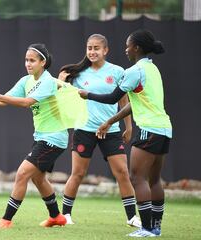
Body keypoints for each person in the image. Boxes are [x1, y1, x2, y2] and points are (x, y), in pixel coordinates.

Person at [0, 43, 77, 229]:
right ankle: (57, 217)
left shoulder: (48, 82)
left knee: (22, 174)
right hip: (42, 137)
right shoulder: (26, 81)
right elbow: (4, 100)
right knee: (38, 178)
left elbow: (26, 102)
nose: (28, 63)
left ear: (43, 62)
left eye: (32, 60)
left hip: (54, 138)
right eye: (26, 59)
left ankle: (6, 220)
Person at [79, 29, 171, 237]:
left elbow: (113, 98)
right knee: (154, 180)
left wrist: (87, 95)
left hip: (148, 129)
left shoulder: (134, 71)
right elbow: (134, 104)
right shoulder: (152, 69)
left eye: (128, 45)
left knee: (136, 178)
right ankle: (155, 228)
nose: (126, 49)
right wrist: (110, 121)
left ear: (136, 48)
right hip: (164, 129)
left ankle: (146, 228)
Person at [58, 34, 141, 227]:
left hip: (111, 131)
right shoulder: (77, 73)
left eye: (96, 48)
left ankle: (132, 217)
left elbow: (123, 100)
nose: (92, 52)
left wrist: (128, 127)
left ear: (106, 50)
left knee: (122, 172)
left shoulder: (118, 71)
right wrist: (61, 81)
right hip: (84, 130)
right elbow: (62, 98)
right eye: (89, 48)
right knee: (77, 174)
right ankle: (66, 215)